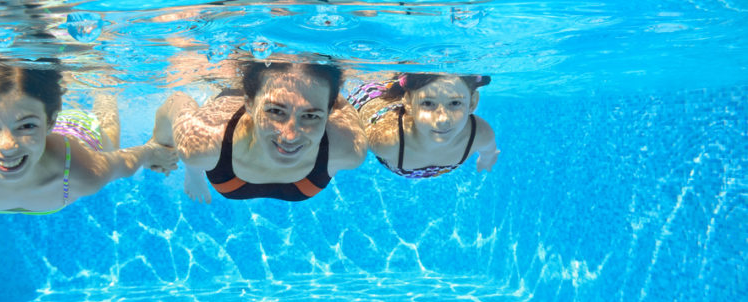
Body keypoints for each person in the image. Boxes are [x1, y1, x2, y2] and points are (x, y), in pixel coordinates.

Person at [0, 57, 177, 214]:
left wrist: (151, 151)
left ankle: (104, 83)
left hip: (79, 133)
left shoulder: (82, 171)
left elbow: (124, 163)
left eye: (26, 127)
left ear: (51, 121)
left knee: (110, 138)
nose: (7, 146)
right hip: (35, 125)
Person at [152, 61, 367, 203]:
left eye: (310, 116)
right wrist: (161, 144)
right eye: (276, 111)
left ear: (329, 111)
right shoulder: (204, 142)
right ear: (249, 105)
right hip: (231, 95)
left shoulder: (348, 150)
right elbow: (177, 101)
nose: (290, 136)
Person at [347, 73, 499, 179]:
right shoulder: (387, 141)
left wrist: (486, 161)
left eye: (454, 103)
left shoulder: (479, 134)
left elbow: (490, 153)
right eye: (428, 104)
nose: (442, 119)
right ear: (408, 103)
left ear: (472, 103)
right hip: (373, 99)